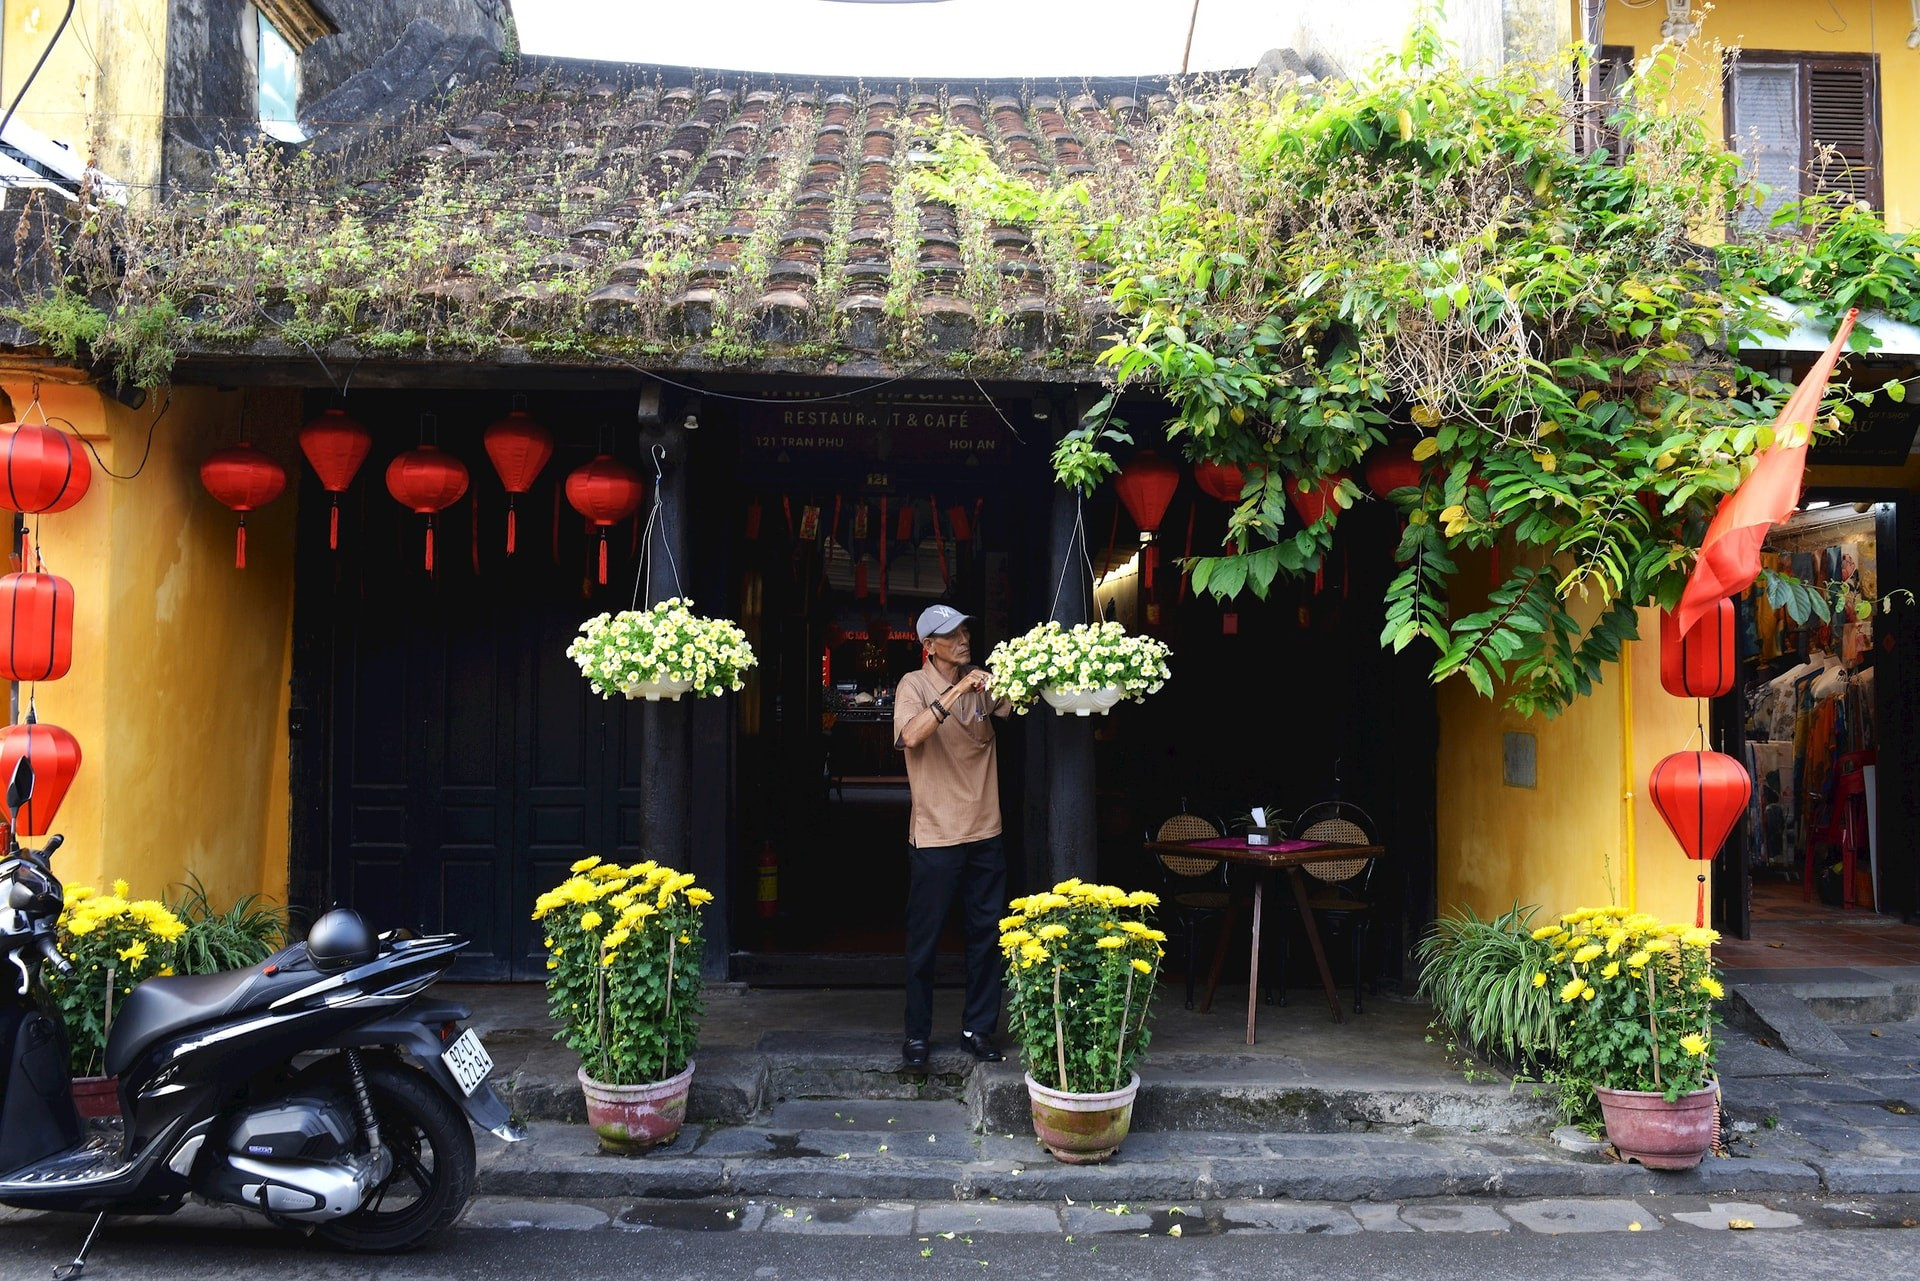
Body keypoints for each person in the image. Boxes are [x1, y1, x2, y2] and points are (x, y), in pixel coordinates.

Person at [892, 603, 1012, 1069]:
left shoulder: (983, 684)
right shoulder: (913, 685)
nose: (963, 638)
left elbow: (1018, 704)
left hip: (986, 830)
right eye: (951, 634)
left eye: (965, 629)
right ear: (928, 646)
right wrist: (958, 690)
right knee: (925, 942)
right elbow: (909, 736)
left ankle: (977, 1029)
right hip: (936, 836)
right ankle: (917, 1036)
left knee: (986, 936)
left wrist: (1023, 671)